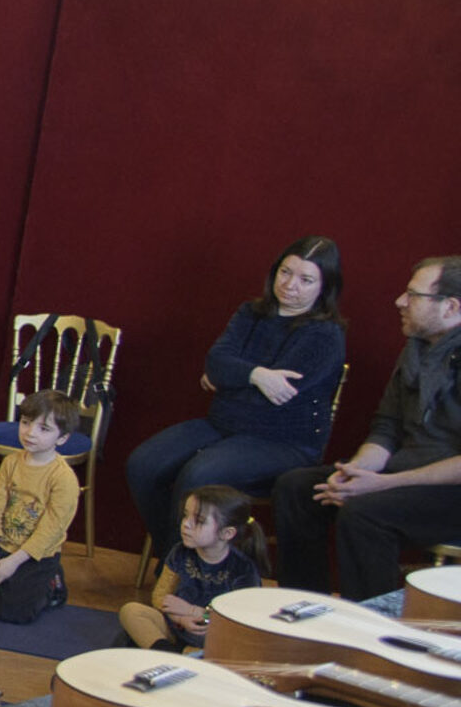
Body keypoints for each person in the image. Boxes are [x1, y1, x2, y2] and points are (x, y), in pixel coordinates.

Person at [124, 237, 348, 556]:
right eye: (285, 272)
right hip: (224, 425)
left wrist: (230, 377)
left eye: (306, 279)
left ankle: (181, 576)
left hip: (284, 443)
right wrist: (257, 375)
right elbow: (216, 361)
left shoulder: (325, 335)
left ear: (324, 287)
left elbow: (273, 399)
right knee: (143, 464)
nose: (291, 285)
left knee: (199, 475)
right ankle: (175, 557)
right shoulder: (250, 313)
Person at [273, 255, 461, 600]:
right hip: (402, 473)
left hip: (450, 489)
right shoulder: (416, 349)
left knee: (364, 515)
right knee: (298, 488)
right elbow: (387, 426)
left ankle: (377, 629)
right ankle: (305, 608)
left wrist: (382, 484)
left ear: (450, 307)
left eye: (413, 295)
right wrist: (356, 472)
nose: (399, 301)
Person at [122, 485, 260, 652]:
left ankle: (185, 654)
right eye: (186, 516)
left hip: (214, 636)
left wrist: (194, 611)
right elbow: (160, 596)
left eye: (199, 521)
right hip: (177, 628)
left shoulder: (242, 569)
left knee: (240, 647)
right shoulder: (180, 552)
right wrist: (179, 618)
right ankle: (171, 653)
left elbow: (238, 620)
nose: (186, 524)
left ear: (227, 533)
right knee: (131, 611)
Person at [0, 389, 79, 623]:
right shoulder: (11, 462)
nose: (30, 433)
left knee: (12, 613)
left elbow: (52, 529)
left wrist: (14, 562)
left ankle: (52, 584)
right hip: (3, 545)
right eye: (26, 423)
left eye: (44, 429)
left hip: (35, 555)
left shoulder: (63, 478)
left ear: (62, 438)